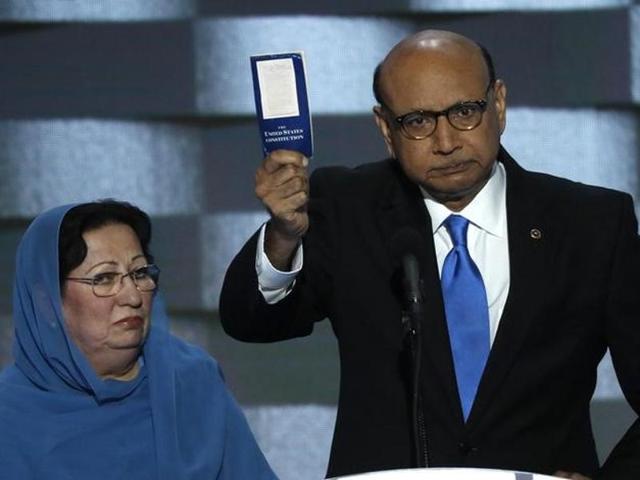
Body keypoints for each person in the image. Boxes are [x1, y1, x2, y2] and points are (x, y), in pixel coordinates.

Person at [219, 30, 640, 479]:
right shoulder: (346, 207)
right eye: (418, 121)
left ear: (497, 104)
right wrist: (284, 236)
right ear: (386, 128)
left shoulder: (592, 223)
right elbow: (250, 321)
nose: (445, 142)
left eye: (464, 112)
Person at [0, 200, 277, 480]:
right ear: (46, 302)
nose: (133, 297)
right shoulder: (9, 415)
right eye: (105, 278)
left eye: (140, 273)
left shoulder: (191, 380)